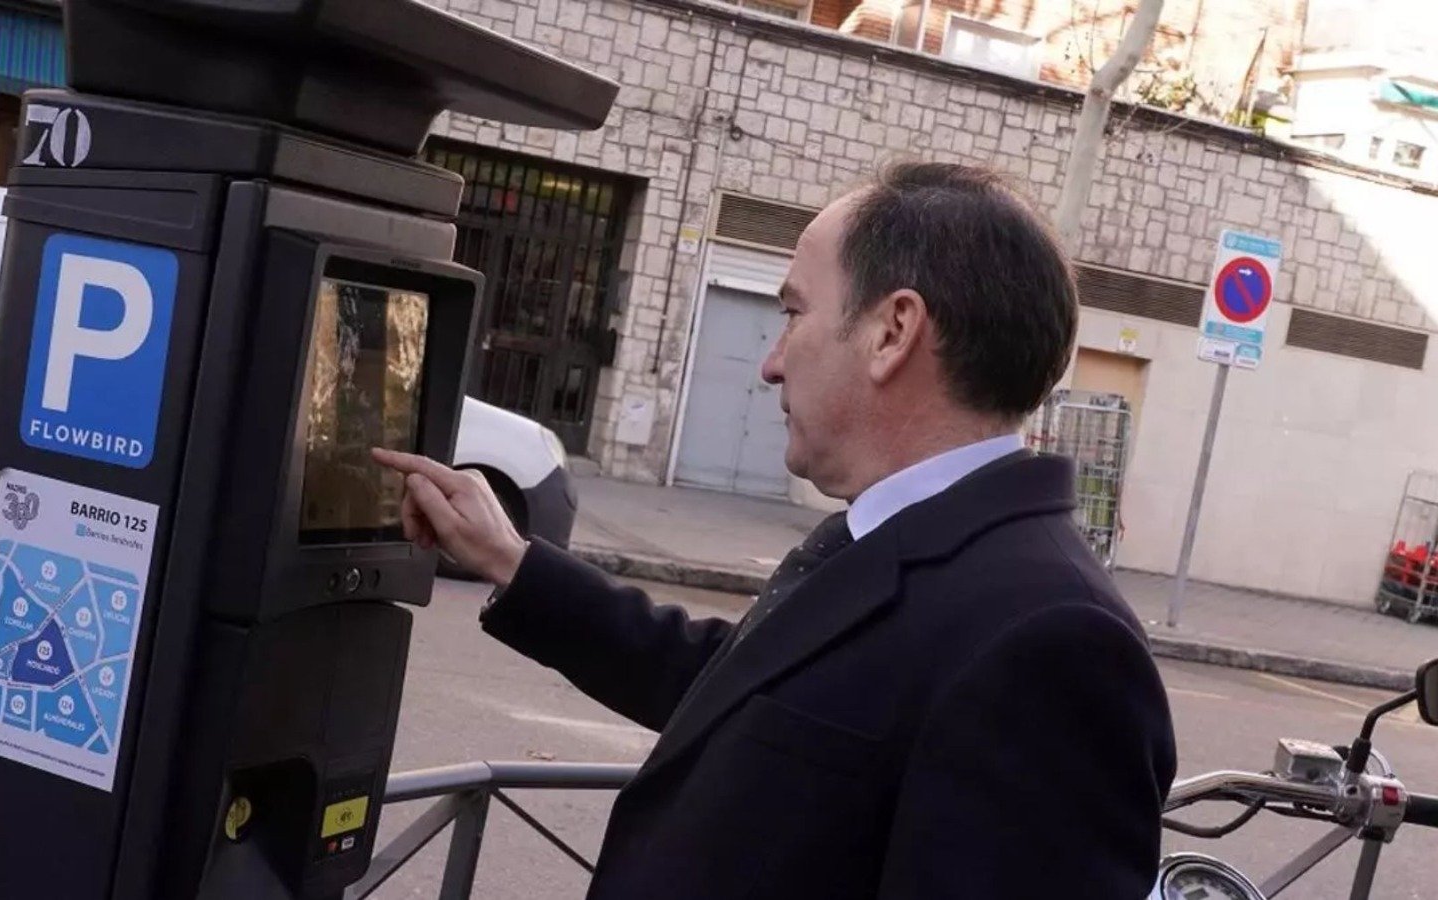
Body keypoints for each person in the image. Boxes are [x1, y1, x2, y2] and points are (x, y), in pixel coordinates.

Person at [372, 161, 1176, 898]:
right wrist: (513, 563)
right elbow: (737, 688)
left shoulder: (1053, 640)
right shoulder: (896, 536)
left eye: (793, 313)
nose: (771, 361)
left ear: (893, 332)